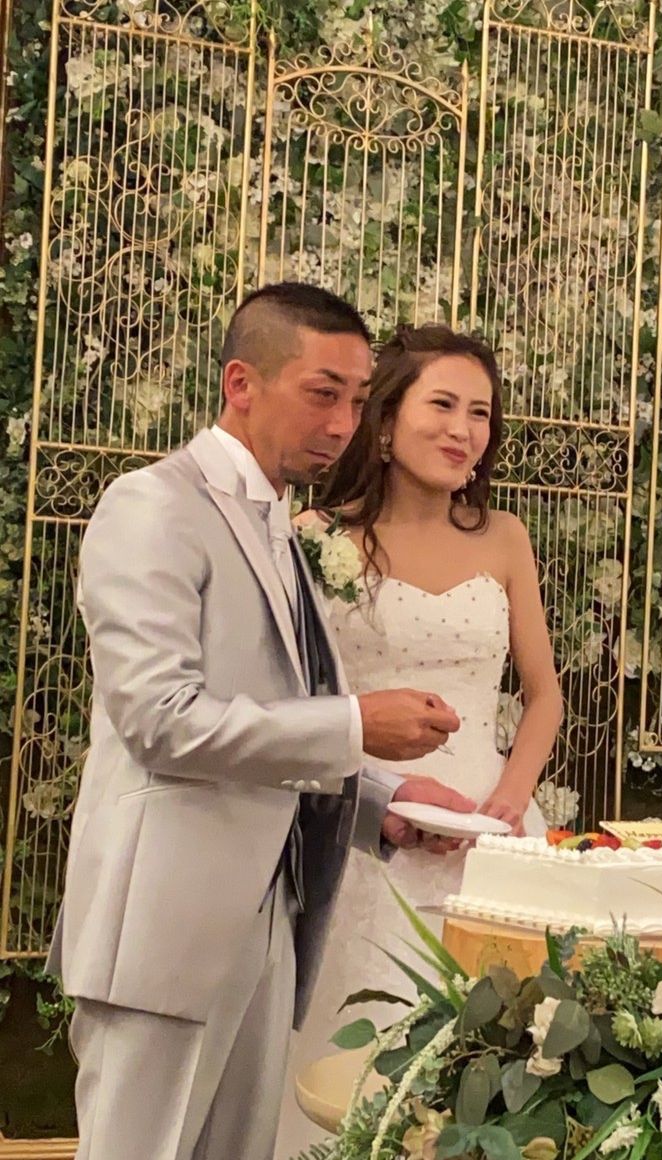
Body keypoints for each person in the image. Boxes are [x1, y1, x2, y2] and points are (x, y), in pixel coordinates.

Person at [48, 284, 477, 1160]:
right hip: (166, 927)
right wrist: (354, 725)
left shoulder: (279, 522)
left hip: (273, 915)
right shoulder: (153, 505)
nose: (343, 424)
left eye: (357, 400)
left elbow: (269, 705)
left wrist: (381, 801)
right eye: (322, 394)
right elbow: (159, 719)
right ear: (241, 383)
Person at [276, 323, 563, 1154]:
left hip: (492, 832)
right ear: (386, 419)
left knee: (493, 1063)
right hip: (366, 823)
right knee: (357, 1054)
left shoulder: (504, 537)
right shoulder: (315, 536)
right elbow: (294, 700)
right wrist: (378, 792)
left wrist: (510, 799)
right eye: (442, 404)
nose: (462, 429)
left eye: (480, 412)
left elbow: (544, 695)